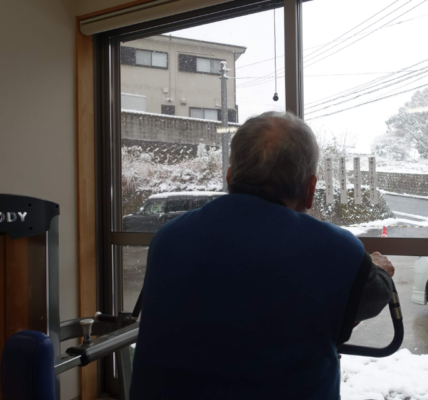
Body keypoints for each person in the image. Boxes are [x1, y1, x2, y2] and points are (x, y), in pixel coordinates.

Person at [130, 112, 395, 400]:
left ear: (230, 177)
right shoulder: (337, 250)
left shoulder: (168, 238)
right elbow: (371, 297)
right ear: (310, 189)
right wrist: (378, 267)